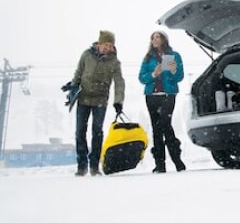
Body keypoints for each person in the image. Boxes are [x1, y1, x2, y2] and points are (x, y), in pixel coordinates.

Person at [63, 30, 125, 176]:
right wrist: (72, 88)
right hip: (83, 98)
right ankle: (81, 166)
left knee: (97, 133)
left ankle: (94, 166)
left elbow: (119, 83)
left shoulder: (114, 62)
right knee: (80, 132)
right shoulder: (86, 55)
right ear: (99, 44)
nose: (108, 48)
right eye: (106, 45)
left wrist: (118, 101)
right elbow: (78, 73)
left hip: (100, 100)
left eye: (111, 45)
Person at [138, 30, 186, 173]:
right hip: (152, 95)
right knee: (156, 129)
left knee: (166, 124)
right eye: (153, 38)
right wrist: (154, 74)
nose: (155, 39)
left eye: (158, 37)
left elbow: (179, 77)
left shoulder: (174, 55)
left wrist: (173, 70)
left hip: (168, 94)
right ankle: (160, 164)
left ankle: (177, 161)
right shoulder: (148, 58)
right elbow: (141, 78)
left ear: (164, 39)